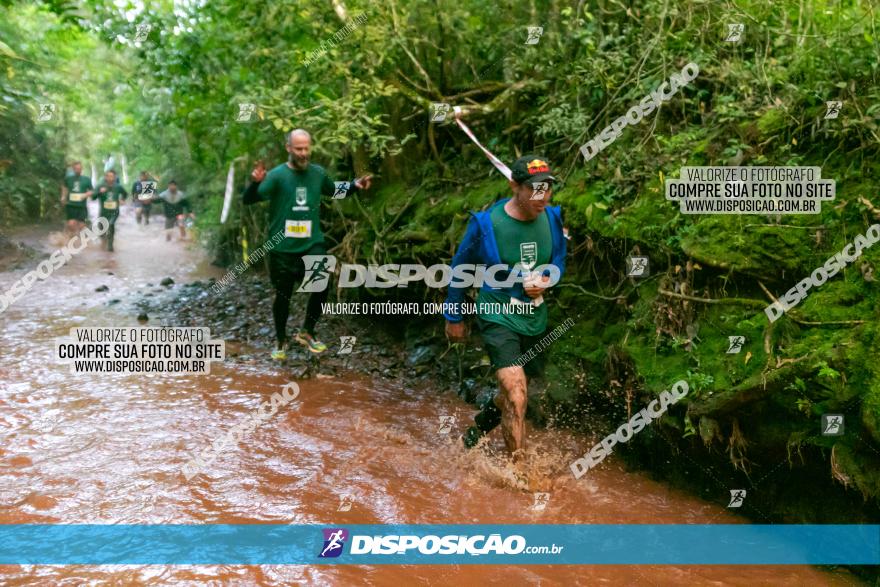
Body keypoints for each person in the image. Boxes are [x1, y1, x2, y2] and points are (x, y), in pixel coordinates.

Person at [444, 155, 566, 459]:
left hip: (534, 316)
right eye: (535, 190)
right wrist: (454, 315)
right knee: (515, 390)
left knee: (513, 397)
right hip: (497, 312)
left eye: (547, 190)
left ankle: (471, 438)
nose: (543, 198)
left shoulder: (552, 219)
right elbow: (460, 267)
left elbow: (560, 260)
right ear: (515, 186)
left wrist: (548, 278)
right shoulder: (486, 225)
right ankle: (519, 471)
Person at [243, 128, 372, 360]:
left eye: (306, 148)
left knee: (321, 284)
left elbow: (334, 191)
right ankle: (280, 340)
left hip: (312, 243)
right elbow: (249, 200)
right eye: (299, 149)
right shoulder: (276, 176)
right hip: (281, 247)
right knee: (283, 297)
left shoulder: (318, 174)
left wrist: (355, 185)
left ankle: (307, 331)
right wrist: (254, 183)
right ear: (289, 149)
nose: (303, 153)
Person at [92, 169, 128, 252]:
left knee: (111, 224)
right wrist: (99, 192)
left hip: (114, 212)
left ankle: (110, 245)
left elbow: (125, 194)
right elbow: (93, 197)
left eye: (112, 176)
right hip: (103, 212)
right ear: (105, 177)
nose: (110, 178)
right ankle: (103, 243)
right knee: (102, 232)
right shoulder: (100, 186)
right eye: (108, 176)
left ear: (115, 177)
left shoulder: (118, 186)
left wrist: (122, 199)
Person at [60, 161, 93, 236]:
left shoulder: (86, 179)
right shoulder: (68, 178)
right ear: (73, 169)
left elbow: (92, 191)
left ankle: (82, 242)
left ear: (82, 169)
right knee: (71, 225)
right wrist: (63, 196)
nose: (78, 170)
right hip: (71, 205)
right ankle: (69, 240)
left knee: (82, 226)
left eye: (80, 168)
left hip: (82, 206)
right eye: (76, 168)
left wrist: (86, 194)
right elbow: (64, 187)